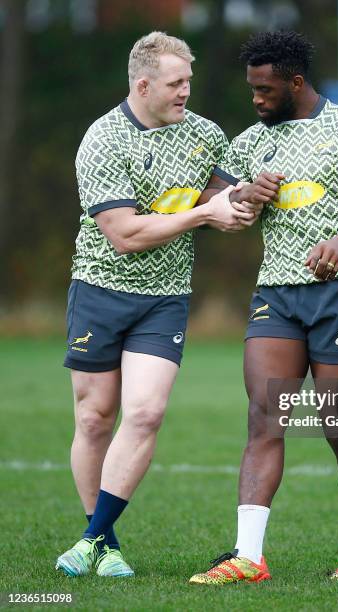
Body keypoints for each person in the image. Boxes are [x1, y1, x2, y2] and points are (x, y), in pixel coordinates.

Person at [189, 31, 338, 585]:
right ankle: (249, 557)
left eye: (266, 89)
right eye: (251, 88)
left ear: (296, 82)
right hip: (275, 296)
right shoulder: (250, 142)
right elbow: (212, 204)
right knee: (263, 417)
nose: (257, 99)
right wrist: (241, 197)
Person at [55, 31, 258, 578]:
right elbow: (123, 234)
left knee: (145, 412)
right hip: (99, 289)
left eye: (188, 80)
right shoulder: (102, 141)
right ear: (143, 85)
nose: (187, 91)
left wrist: (246, 201)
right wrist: (203, 215)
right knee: (95, 418)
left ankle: (92, 540)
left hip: (164, 298)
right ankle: (106, 541)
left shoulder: (205, 135)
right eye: (176, 83)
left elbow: (225, 198)